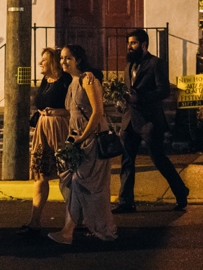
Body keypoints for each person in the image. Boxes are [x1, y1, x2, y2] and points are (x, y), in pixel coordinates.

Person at [114, 29, 189, 213]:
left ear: (144, 44)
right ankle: (126, 201)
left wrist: (141, 98)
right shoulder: (128, 66)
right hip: (129, 119)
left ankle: (181, 191)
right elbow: (128, 90)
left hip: (149, 120)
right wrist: (121, 101)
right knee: (127, 160)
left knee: (158, 158)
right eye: (129, 43)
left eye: (133, 43)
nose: (129, 46)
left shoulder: (156, 63)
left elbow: (163, 90)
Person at [48, 45, 117, 245]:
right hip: (77, 141)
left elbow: (97, 112)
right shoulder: (71, 83)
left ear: (78, 59)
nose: (63, 62)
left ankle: (74, 231)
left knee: (86, 185)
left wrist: (82, 137)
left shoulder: (88, 80)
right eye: (61, 58)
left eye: (68, 58)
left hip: (92, 140)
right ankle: (84, 225)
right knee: (69, 181)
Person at [17, 47, 72, 237]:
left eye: (44, 60)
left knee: (66, 175)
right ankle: (35, 221)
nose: (40, 63)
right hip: (43, 129)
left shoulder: (66, 81)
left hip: (59, 129)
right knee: (40, 174)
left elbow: (74, 107)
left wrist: (58, 113)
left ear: (54, 63)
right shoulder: (44, 81)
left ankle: (72, 222)